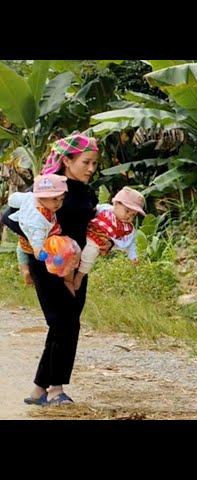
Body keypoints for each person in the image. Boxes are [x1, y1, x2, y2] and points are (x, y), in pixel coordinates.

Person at [2, 133, 99, 406]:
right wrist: (46, 243)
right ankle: (55, 389)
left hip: (76, 267)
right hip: (48, 266)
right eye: (86, 162)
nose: (91, 168)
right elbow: (7, 216)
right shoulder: (52, 187)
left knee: (66, 325)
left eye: (94, 163)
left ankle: (38, 390)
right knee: (63, 323)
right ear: (67, 161)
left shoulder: (86, 191)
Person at [73, 186, 145, 291]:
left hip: (96, 242)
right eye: (127, 211)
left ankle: (79, 276)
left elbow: (131, 243)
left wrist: (133, 256)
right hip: (85, 232)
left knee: (89, 255)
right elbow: (92, 209)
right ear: (116, 203)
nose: (129, 216)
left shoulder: (127, 228)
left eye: (133, 215)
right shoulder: (105, 209)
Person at [7, 174, 70, 288]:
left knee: (20, 249)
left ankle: (25, 270)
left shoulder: (30, 197)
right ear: (41, 197)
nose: (58, 203)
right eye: (54, 199)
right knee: (24, 250)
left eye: (61, 199)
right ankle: (27, 272)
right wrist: (52, 258)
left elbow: (12, 200)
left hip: (25, 233)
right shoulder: (38, 221)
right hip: (35, 242)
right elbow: (37, 250)